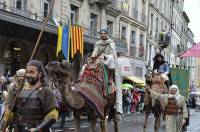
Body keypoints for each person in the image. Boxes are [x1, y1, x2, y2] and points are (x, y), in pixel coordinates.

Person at [0, 60, 59, 132]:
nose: (28, 75)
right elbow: (10, 110)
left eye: (32, 72)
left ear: (40, 74)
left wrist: (38, 129)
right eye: (27, 72)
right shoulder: (19, 90)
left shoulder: (46, 91)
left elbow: (53, 115)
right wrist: (3, 125)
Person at [91, 29, 123, 118]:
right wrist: (92, 57)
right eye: (102, 33)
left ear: (107, 34)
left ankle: (110, 77)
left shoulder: (111, 43)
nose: (103, 34)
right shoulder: (98, 43)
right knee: (85, 65)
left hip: (108, 59)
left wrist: (105, 56)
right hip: (99, 60)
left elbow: (113, 54)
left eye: (105, 33)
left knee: (111, 59)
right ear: (100, 35)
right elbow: (95, 52)